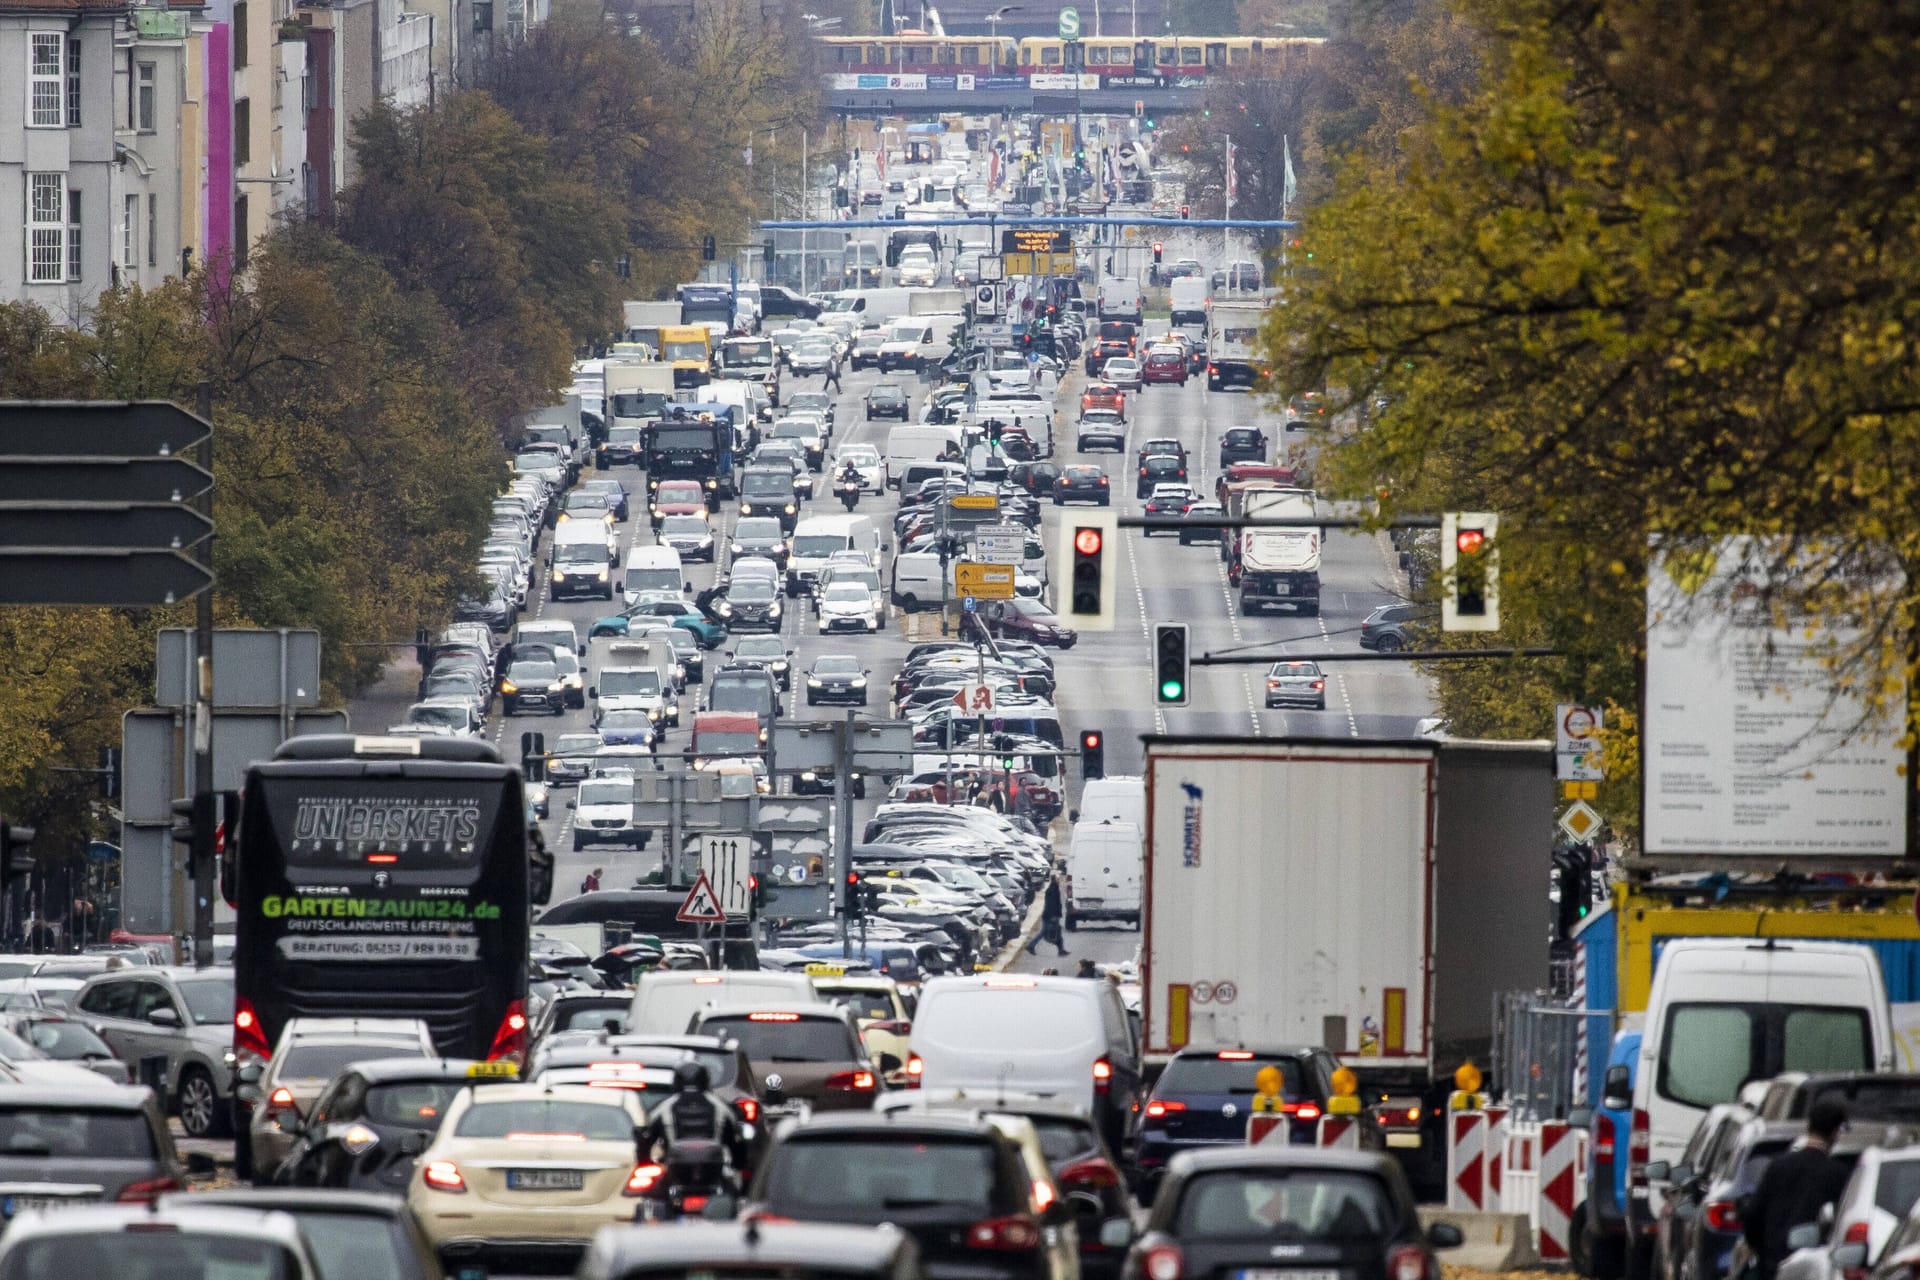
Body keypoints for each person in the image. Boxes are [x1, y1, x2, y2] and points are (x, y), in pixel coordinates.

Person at [1742, 1099, 1852, 1280]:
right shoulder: (1840, 1175)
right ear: (1835, 1133)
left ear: (1809, 1126)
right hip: (1814, 1269)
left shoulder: (1778, 1166)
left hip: (1773, 1264)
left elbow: (1754, 1215)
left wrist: (1763, 1252)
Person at [639, 1061, 750, 1176]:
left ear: (677, 1081)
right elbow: (735, 1138)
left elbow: (647, 1138)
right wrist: (738, 1166)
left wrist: (645, 1164)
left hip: (675, 1174)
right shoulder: (721, 1106)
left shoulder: (663, 1107)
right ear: (706, 1080)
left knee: (651, 1192)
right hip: (714, 1173)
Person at [1026, 874, 1068, 956]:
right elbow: (1051, 905)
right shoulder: (1053, 890)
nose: (1059, 880)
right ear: (1054, 880)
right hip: (1050, 916)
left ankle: (1061, 950)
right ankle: (1031, 946)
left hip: (1050, 915)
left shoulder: (1053, 888)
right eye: (1058, 879)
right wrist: (1053, 916)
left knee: (1055, 932)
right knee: (1046, 932)